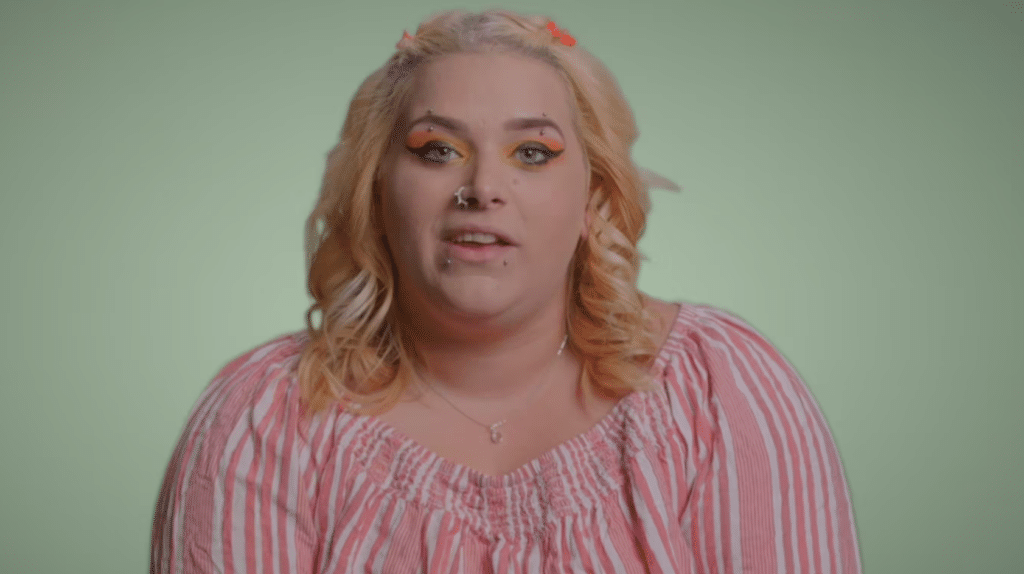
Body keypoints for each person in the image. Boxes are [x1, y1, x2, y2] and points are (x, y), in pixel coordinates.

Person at [151, 9, 861, 573]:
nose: (482, 188)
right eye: (436, 150)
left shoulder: (717, 390)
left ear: (594, 199)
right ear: (376, 191)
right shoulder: (264, 417)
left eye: (532, 153)